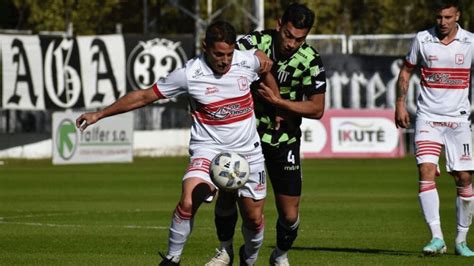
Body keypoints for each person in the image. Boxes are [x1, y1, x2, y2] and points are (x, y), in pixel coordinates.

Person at [76, 20, 276, 265]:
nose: (224, 60)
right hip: (208, 149)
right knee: (188, 199)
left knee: (254, 218)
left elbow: (266, 68)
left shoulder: (246, 61)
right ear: (205, 47)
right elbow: (144, 95)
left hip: (248, 153)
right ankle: (172, 259)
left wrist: (276, 104)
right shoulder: (189, 74)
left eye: (229, 54)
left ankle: (250, 258)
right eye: (218, 54)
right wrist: (99, 114)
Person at [206, 3, 326, 266]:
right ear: (279, 24)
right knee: (228, 191)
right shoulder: (255, 41)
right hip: (246, 137)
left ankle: (280, 255)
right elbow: (227, 55)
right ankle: (225, 250)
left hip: (285, 142)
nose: (293, 44)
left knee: (290, 214)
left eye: (300, 39)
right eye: (289, 36)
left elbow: (317, 109)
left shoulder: (310, 60)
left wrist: (280, 103)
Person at [395, 0, 474, 257]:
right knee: (426, 170)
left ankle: (461, 240)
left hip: (459, 120)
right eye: (439, 17)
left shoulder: (470, 42)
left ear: (457, 16)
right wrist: (400, 104)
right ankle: (436, 237)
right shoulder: (422, 39)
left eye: (448, 17)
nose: (442, 23)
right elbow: (406, 72)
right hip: (428, 118)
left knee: (464, 179)